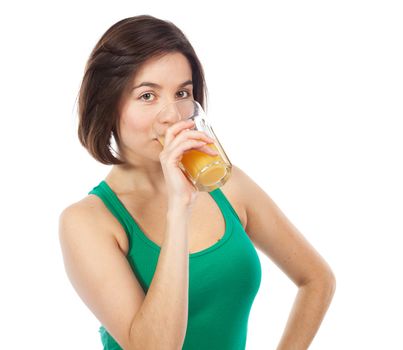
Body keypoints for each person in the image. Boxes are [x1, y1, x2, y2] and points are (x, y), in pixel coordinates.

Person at [59, 15, 336, 350]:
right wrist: (179, 208)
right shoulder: (87, 221)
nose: (172, 115)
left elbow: (317, 280)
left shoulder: (228, 185)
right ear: (108, 104)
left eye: (182, 92)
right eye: (147, 96)